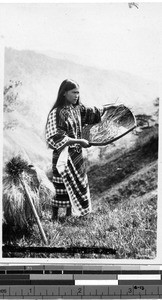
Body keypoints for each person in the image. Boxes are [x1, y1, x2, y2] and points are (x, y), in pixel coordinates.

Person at [45, 79, 106, 220]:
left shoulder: (77, 109)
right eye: (74, 92)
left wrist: (108, 108)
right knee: (60, 184)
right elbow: (56, 136)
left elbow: (93, 113)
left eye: (78, 93)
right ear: (64, 93)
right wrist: (79, 141)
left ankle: (70, 214)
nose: (76, 96)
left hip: (76, 154)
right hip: (62, 155)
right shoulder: (57, 112)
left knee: (76, 184)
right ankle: (54, 216)